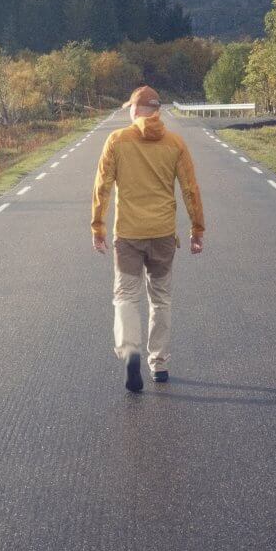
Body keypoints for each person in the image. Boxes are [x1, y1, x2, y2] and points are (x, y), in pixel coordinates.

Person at [90, 84, 205, 393]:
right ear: (156, 111)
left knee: (126, 296)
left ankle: (130, 352)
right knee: (161, 299)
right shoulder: (175, 143)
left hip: (128, 234)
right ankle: (160, 364)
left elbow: (103, 187)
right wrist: (197, 230)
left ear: (137, 110)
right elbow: (190, 189)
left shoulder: (117, 140)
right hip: (163, 234)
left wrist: (98, 227)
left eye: (131, 106)